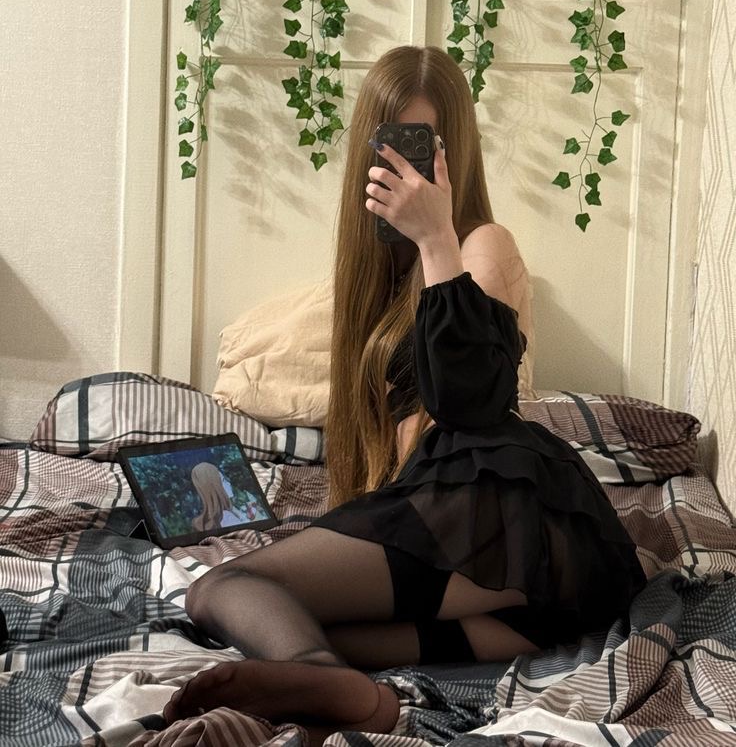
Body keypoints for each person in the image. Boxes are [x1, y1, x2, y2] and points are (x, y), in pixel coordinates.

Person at [163, 46, 646, 737]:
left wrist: (438, 239)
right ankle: (353, 684)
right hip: (490, 563)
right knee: (297, 624)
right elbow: (391, 448)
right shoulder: (378, 278)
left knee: (222, 587)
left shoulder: (482, 245)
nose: (408, 169)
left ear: (457, 153)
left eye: (426, 148)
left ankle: (340, 689)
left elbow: (470, 403)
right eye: (391, 147)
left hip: (499, 508)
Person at [190, 462, 252, 531]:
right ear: (213, 488)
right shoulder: (227, 518)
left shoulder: (218, 518)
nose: (228, 483)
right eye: (223, 480)